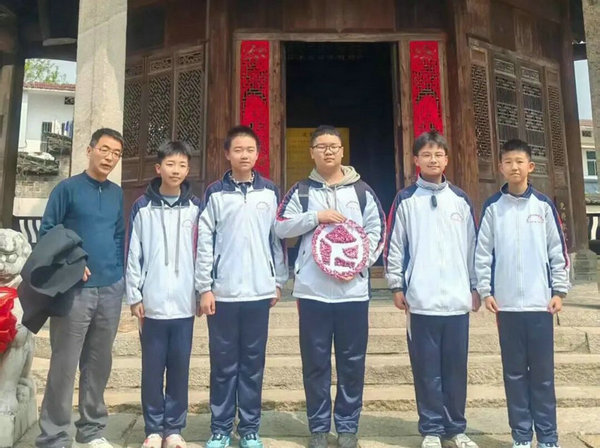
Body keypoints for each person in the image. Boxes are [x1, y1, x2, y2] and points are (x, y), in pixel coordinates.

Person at [274, 125, 386, 448]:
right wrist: (316, 217)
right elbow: (280, 227)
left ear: (342, 151)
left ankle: (348, 427)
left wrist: (358, 265)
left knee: (352, 362)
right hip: (312, 292)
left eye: (333, 146)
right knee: (315, 362)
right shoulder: (301, 191)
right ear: (312, 152)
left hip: (353, 293)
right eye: (321, 146)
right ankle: (319, 428)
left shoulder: (362, 191)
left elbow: (378, 231)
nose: (328, 151)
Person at [384, 130, 479, 448]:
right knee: (426, 369)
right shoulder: (406, 200)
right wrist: (397, 284)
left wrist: (475, 286)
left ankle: (456, 428)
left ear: (447, 159)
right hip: (421, 300)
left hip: (456, 300)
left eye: (438, 154)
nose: (433, 159)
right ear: (416, 160)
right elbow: (395, 245)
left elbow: (473, 248)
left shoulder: (460, 200)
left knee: (455, 368)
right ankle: (431, 429)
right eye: (426, 154)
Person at [196, 125, 288, 448]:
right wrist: (204, 287)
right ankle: (220, 428)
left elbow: (276, 239)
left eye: (250, 150)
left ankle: (249, 428)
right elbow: (204, 242)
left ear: (258, 154)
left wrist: (278, 281)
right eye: (238, 150)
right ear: (227, 154)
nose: (244, 155)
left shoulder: (270, 192)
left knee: (252, 364)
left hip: (259, 292)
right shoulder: (215, 193)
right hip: (222, 294)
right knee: (222, 365)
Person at [475, 139, 569, 448]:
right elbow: (483, 253)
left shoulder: (543, 206)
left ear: (530, 166)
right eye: (508, 162)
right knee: (514, 374)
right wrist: (485, 290)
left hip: (541, 305)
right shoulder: (493, 208)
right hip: (507, 307)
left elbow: (557, 251)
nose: (514, 167)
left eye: (519, 162)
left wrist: (559, 290)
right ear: (500, 167)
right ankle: (521, 436)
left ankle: (548, 437)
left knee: (542, 375)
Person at [36, 128, 126, 448]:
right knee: (64, 362)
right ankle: (54, 436)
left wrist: (118, 272)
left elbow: (119, 235)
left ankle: (91, 431)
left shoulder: (116, 194)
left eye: (116, 153)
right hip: (74, 290)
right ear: (89, 150)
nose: (110, 157)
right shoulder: (67, 189)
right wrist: (72, 262)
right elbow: (49, 232)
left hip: (110, 288)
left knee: (99, 362)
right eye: (104, 149)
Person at [126, 141, 201, 448]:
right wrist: (135, 295)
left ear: (188, 169)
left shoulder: (196, 208)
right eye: (170, 164)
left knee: (180, 369)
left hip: (184, 304)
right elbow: (133, 253)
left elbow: (203, 253)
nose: (176, 170)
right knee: (152, 370)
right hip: (152, 304)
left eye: (182, 165)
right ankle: (153, 429)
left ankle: (174, 429)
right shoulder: (142, 207)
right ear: (158, 168)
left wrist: (201, 292)